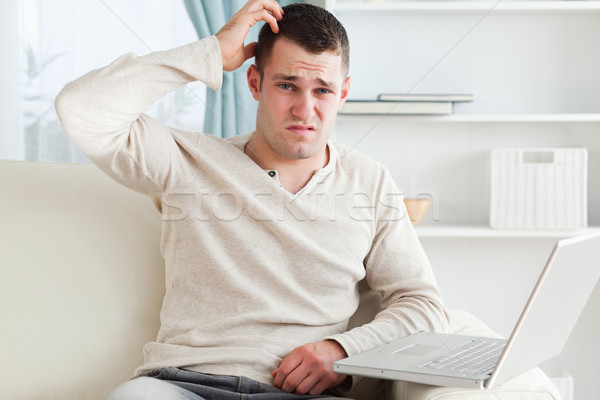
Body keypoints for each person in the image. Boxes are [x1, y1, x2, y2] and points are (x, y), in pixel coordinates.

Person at [55, 1, 448, 399]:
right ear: (255, 83)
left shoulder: (370, 181)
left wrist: (341, 352)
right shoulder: (186, 162)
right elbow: (80, 108)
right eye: (287, 85)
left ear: (342, 92)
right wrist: (208, 54)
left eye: (322, 90)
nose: (304, 109)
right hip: (181, 385)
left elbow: (423, 306)